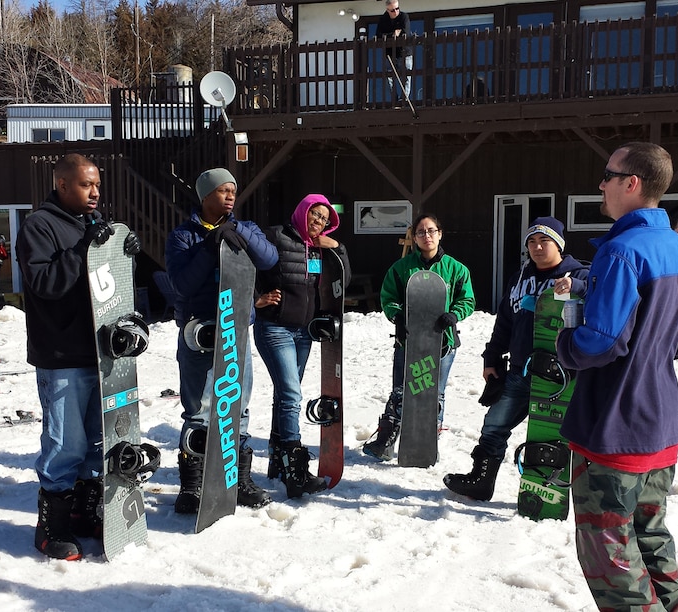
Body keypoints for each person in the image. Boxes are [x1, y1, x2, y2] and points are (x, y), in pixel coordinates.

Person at [555, 142, 678, 611]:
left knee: (609, 553)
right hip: (660, 424)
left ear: (632, 183)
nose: (600, 184)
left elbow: (601, 341)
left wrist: (565, 347)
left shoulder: (621, 251)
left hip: (612, 428)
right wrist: (651, 356)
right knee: (650, 536)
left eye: (607, 174)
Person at [15, 153, 143, 560]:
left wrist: (124, 254)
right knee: (65, 444)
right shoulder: (40, 225)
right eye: (86, 185)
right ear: (63, 184)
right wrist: (86, 250)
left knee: (96, 443)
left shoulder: (95, 225)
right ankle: (51, 526)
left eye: (98, 186)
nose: (95, 193)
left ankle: (87, 511)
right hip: (62, 354)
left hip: (102, 352)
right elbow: (43, 283)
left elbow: (112, 284)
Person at [444, 217, 588, 501]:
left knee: (554, 435)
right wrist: (492, 358)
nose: (537, 247)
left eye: (544, 241)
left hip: (560, 376)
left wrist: (575, 286)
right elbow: (505, 323)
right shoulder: (519, 278)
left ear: (559, 244)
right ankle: (481, 480)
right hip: (520, 369)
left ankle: (553, 489)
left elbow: (598, 294)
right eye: (531, 242)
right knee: (495, 424)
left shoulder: (580, 274)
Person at [165, 168, 279, 513]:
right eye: (223, 190)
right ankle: (193, 485)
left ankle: (238, 479)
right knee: (200, 408)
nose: (230, 196)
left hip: (236, 331)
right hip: (199, 332)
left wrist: (239, 231)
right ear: (205, 196)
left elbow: (269, 258)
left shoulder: (246, 228)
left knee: (237, 407)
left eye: (233, 190)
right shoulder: (183, 237)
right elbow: (182, 285)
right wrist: (209, 247)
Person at [254, 194, 351, 498]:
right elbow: (245, 266)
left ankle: (277, 458)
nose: (318, 221)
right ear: (302, 211)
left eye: (324, 219)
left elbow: (342, 280)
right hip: (275, 327)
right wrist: (254, 300)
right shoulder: (274, 236)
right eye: (314, 214)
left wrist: (337, 248)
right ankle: (295, 468)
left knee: (285, 394)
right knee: (292, 394)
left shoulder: (321, 249)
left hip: (303, 333)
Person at [363, 214, 475, 461]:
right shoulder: (401, 268)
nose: (427, 236)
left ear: (440, 233)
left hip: (442, 341)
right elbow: (388, 297)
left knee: (435, 391)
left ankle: (429, 439)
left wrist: (454, 315)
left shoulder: (456, 269)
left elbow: (467, 299)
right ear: (414, 238)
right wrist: (398, 317)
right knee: (402, 390)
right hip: (409, 340)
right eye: (421, 232)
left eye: (431, 231)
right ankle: (387, 439)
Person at [377, 0, 412, 104]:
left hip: (404, 52)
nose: (396, 11)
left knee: (406, 76)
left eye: (397, 8)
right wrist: (392, 34)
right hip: (390, 53)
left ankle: (404, 99)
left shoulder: (404, 17)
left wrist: (392, 35)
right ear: (387, 10)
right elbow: (379, 35)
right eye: (393, 10)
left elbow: (405, 32)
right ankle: (394, 99)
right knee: (390, 77)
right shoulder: (383, 20)